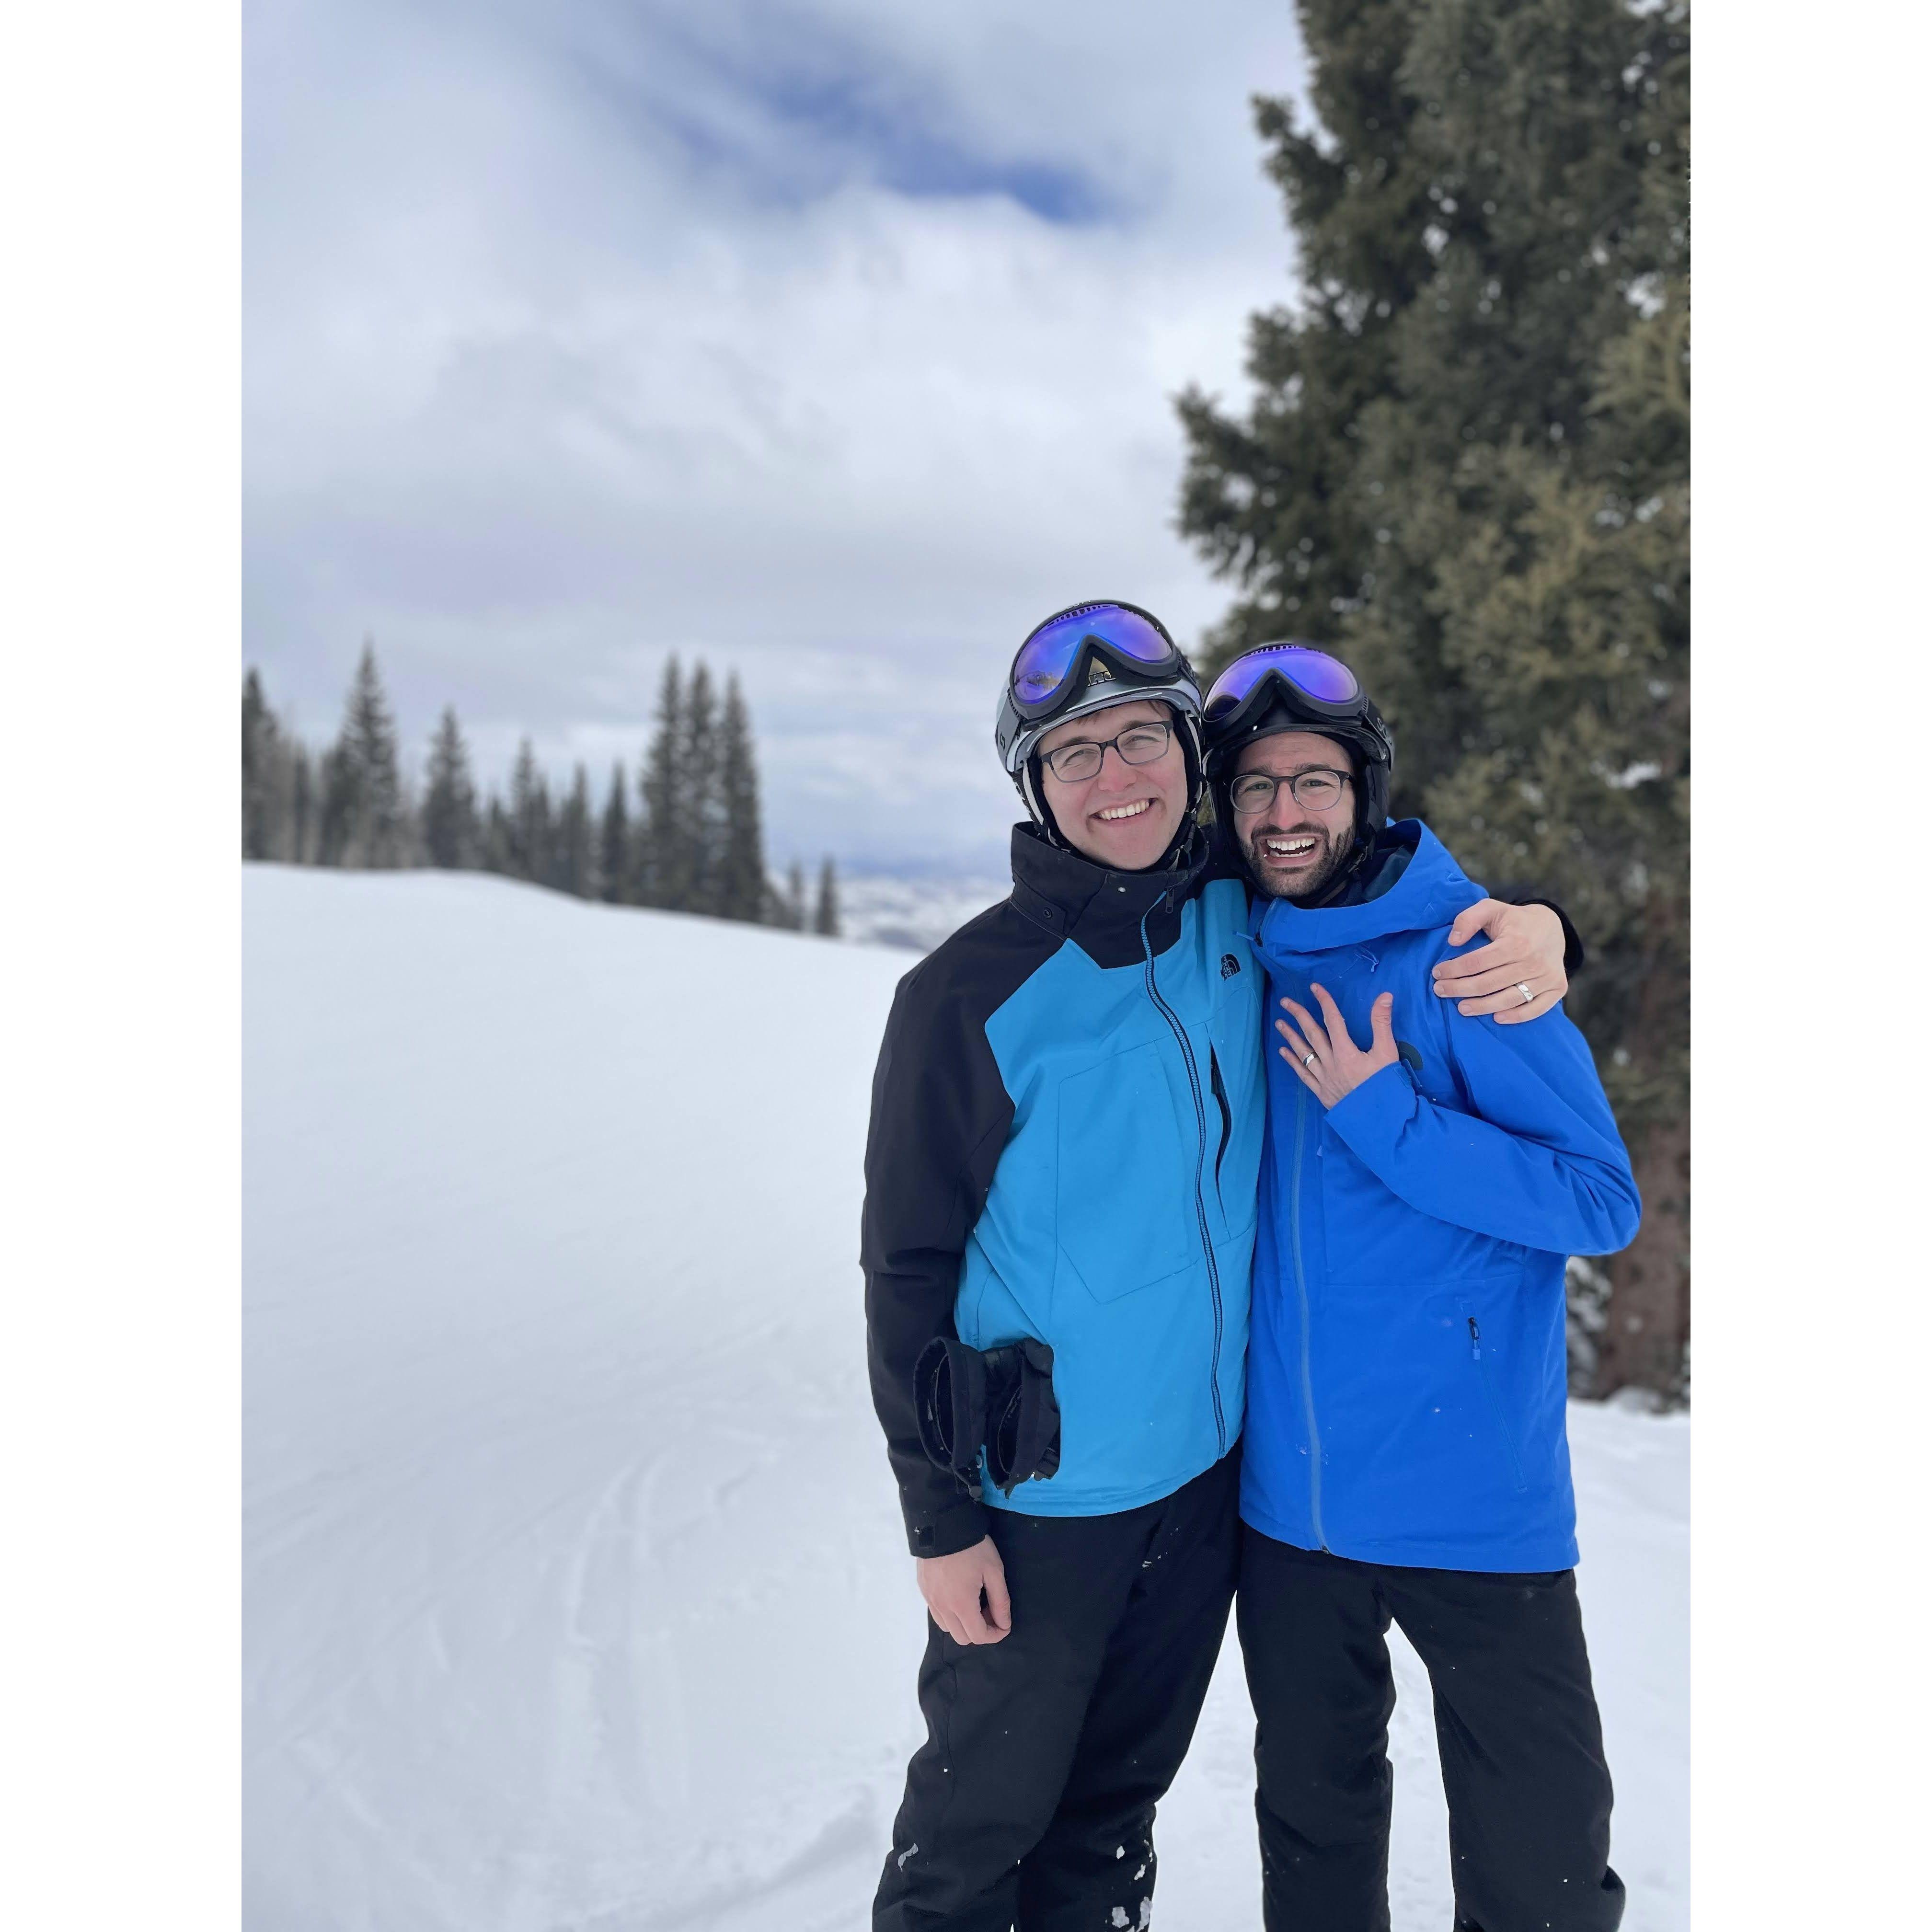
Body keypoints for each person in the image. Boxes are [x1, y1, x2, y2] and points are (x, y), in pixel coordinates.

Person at [860, 604, 1572, 1932]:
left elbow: (1380, 885)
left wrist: (1543, 930)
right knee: (975, 1832)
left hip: (1203, 1496)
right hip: (1042, 1504)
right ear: (1033, 785)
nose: (1117, 776)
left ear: (1189, 756)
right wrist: (938, 1517)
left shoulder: (1235, 921)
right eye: (1076, 754)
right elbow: (904, 1268)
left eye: (1141, 737)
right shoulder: (965, 1000)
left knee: (1112, 1815)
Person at [1201, 642, 1643, 1932]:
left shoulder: (1467, 959)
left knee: (1540, 1871)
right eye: (1258, 788)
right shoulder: (1236, 950)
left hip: (1474, 1508)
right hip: (1293, 1520)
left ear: (1366, 788)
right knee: (1318, 1851)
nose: (1285, 813)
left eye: (1315, 781)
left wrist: (1390, 1117)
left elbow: (1597, 1199)